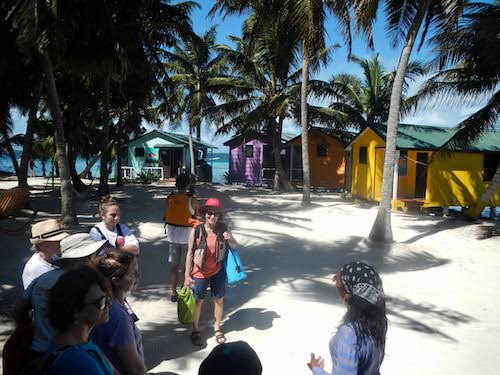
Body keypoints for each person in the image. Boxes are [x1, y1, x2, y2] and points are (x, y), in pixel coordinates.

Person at [14, 233, 107, 361]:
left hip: (38, 350)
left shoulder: (42, 278)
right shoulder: (82, 285)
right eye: (94, 255)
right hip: (70, 353)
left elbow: (18, 309)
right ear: (86, 258)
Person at [307, 261, 387, 375]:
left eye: (337, 279)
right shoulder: (379, 322)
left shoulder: (349, 333)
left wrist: (316, 369)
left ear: (349, 293)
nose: (335, 281)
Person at [184, 197, 237, 346]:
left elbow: (234, 245)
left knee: (218, 300)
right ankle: (195, 330)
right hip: (199, 272)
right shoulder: (197, 230)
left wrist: (229, 239)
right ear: (205, 214)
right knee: (198, 302)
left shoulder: (223, 228)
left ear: (220, 216)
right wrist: (187, 276)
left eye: (216, 214)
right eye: (209, 213)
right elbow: (189, 253)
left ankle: (217, 327)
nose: (212, 216)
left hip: (217, 270)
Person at [43, 266, 114, 374]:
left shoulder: (83, 342)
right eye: (101, 302)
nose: (109, 304)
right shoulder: (75, 359)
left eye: (107, 298)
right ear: (74, 309)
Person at [91, 251, 147, 375]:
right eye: (133, 273)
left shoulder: (108, 304)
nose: (138, 276)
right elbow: (135, 369)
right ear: (116, 280)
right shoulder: (117, 316)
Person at [164, 173, 198, 302]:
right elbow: (196, 215)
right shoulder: (191, 200)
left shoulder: (170, 198)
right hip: (187, 237)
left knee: (174, 266)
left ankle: (173, 292)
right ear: (188, 184)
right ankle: (185, 290)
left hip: (172, 237)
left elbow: (168, 213)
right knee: (186, 266)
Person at [22, 219, 70, 289]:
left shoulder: (52, 256)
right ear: (41, 244)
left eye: (60, 240)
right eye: (55, 241)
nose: (60, 243)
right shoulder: (37, 267)